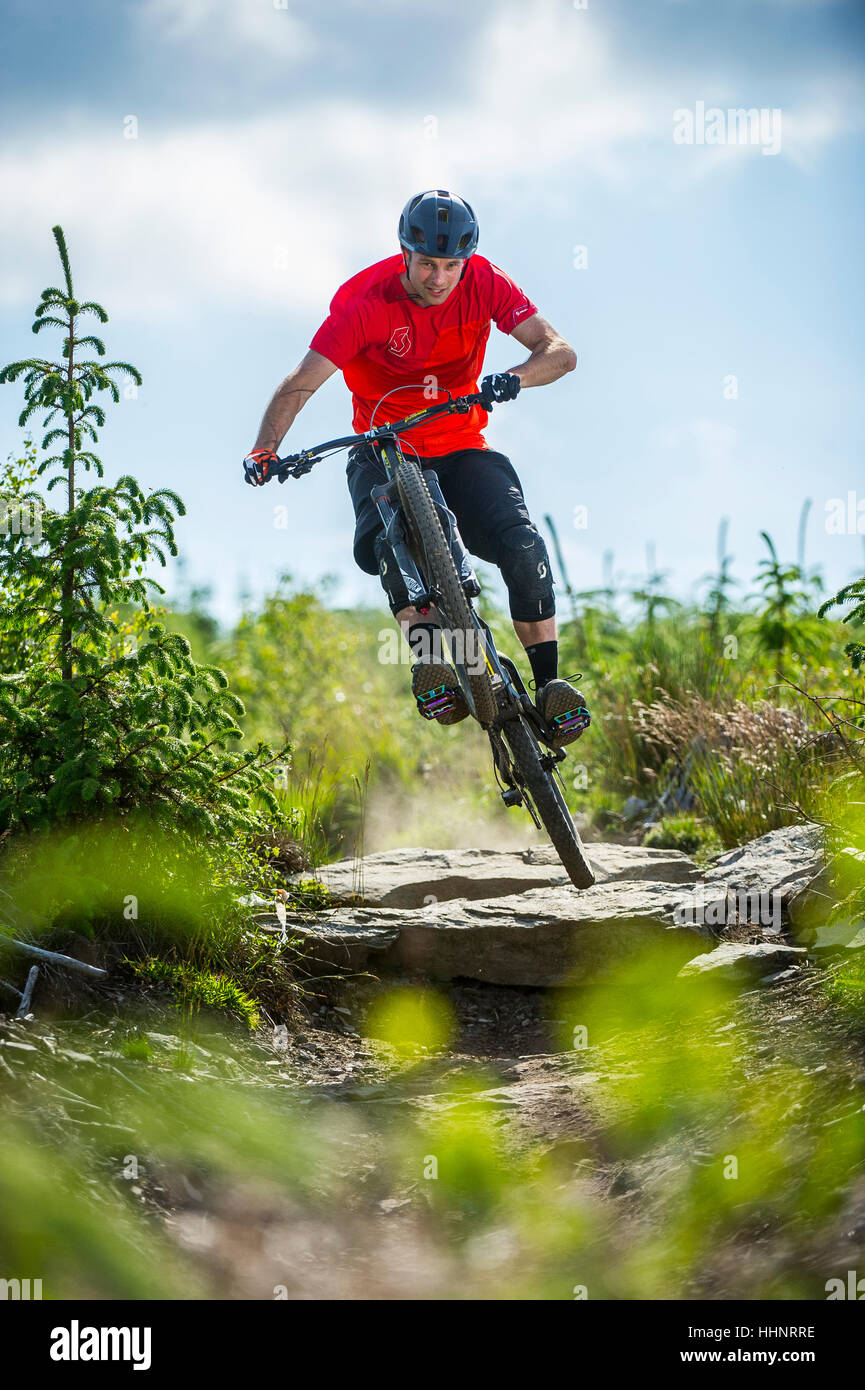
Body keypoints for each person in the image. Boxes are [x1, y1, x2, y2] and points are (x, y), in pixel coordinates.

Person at [244, 189, 590, 744]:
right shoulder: (363, 302)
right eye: (427, 264)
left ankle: (549, 687)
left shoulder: (487, 282)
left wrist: (515, 377)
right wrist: (265, 449)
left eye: (451, 266)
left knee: (524, 546)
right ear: (405, 252)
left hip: (460, 442)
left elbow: (560, 352)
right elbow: (301, 383)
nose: (438, 278)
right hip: (382, 446)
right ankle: (432, 665)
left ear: (467, 261)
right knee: (391, 546)